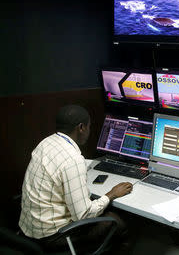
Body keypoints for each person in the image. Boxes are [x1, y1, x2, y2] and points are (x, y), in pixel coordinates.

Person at [19, 105, 133, 252]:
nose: (89, 130)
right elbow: (84, 215)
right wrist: (111, 194)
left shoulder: (45, 143)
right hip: (53, 237)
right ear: (81, 128)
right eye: (89, 126)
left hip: (29, 229)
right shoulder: (72, 159)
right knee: (119, 222)